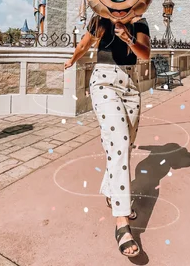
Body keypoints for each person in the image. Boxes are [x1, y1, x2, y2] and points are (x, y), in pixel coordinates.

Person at [65, 14, 151, 258]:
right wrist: (72, 60)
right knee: (120, 143)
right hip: (103, 82)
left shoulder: (140, 22)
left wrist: (129, 38)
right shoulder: (101, 19)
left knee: (125, 145)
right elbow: (84, 43)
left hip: (130, 84)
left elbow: (145, 54)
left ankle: (112, 191)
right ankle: (122, 222)